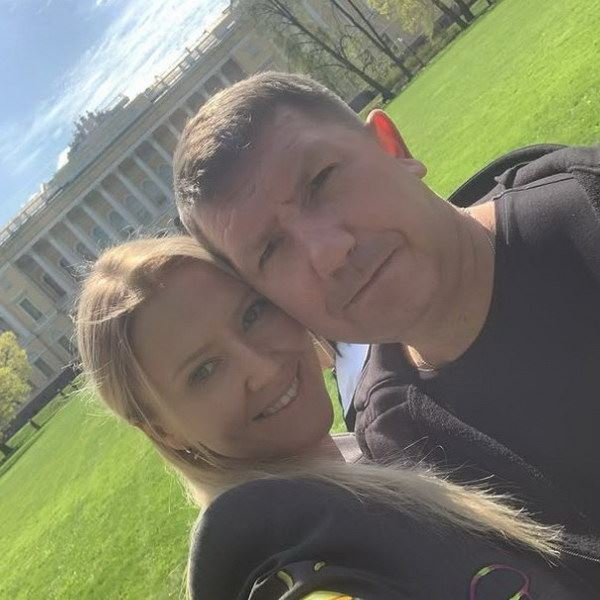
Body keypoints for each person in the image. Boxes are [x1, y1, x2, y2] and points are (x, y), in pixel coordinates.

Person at [172, 72, 600, 531]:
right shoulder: (401, 454)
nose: (329, 252)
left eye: (321, 180)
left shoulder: (588, 207)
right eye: (271, 250)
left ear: (391, 147)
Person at [75, 236, 595, 599]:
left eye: (252, 314)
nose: (263, 369)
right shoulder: (274, 555)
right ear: (162, 429)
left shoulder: (355, 447)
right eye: (204, 371)